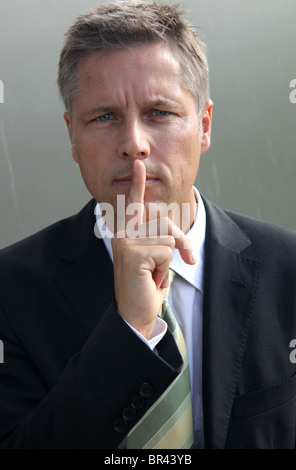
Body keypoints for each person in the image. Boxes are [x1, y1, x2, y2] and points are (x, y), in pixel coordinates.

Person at [0, 1, 296, 450]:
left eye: (159, 112)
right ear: (72, 137)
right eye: (104, 117)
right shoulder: (10, 291)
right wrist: (131, 328)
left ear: (204, 125)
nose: (133, 144)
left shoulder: (289, 271)